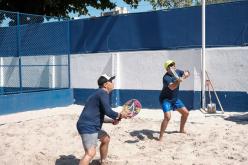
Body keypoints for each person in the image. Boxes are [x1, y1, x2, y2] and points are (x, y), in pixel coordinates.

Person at [77, 74, 129, 165]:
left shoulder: (98, 93)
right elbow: (108, 111)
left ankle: (103, 161)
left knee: (106, 139)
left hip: (90, 125)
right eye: (111, 81)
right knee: (90, 153)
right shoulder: (103, 93)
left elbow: (99, 115)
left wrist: (113, 120)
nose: (113, 84)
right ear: (105, 85)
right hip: (88, 126)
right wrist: (120, 115)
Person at [159, 60, 190, 141]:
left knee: (186, 113)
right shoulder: (166, 77)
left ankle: (181, 130)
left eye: (173, 64)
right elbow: (172, 87)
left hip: (175, 99)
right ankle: (161, 136)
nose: (173, 66)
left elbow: (187, 72)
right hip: (166, 100)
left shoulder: (178, 72)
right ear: (167, 69)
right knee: (167, 117)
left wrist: (186, 74)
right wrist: (178, 80)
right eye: (170, 65)